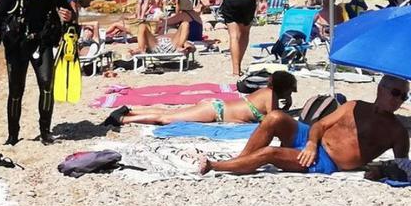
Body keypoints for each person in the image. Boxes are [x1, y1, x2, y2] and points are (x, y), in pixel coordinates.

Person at [196, 75, 410, 175]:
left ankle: (216, 166)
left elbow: (402, 167)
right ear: (380, 89)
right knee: (275, 117)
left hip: (326, 161)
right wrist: (310, 143)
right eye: (395, 93)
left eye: (404, 97)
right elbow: (320, 124)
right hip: (311, 139)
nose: (398, 100)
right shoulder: (354, 106)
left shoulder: (397, 132)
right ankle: (241, 161)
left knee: (270, 152)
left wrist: (381, 171)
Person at [0, 0, 76, 146]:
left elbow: (69, 11)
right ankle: (13, 136)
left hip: (41, 44)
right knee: (16, 91)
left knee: (47, 87)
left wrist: (70, 17)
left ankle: (45, 133)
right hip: (17, 46)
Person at [105, 71, 296, 126]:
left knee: (169, 113)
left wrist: (285, 102)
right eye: (290, 91)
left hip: (216, 107)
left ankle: (130, 111)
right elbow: (274, 120)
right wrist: (287, 104)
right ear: (284, 89)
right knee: (167, 119)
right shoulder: (270, 95)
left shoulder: (265, 92)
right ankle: (124, 118)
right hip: (215, 111)